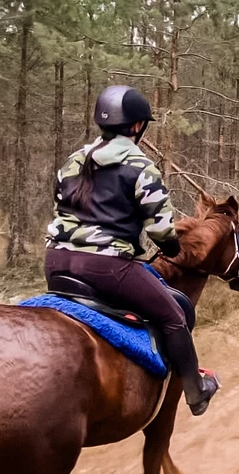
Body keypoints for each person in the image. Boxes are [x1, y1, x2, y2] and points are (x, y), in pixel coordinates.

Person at [44, 85, 219, 415]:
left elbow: (60, 207)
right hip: (106, 268)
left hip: (56, 262)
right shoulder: (141, 166)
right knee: (173, 315)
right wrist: (171, 247)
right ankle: (196, 391)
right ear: (138, 126)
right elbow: (160, 230)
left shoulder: (73, 161)